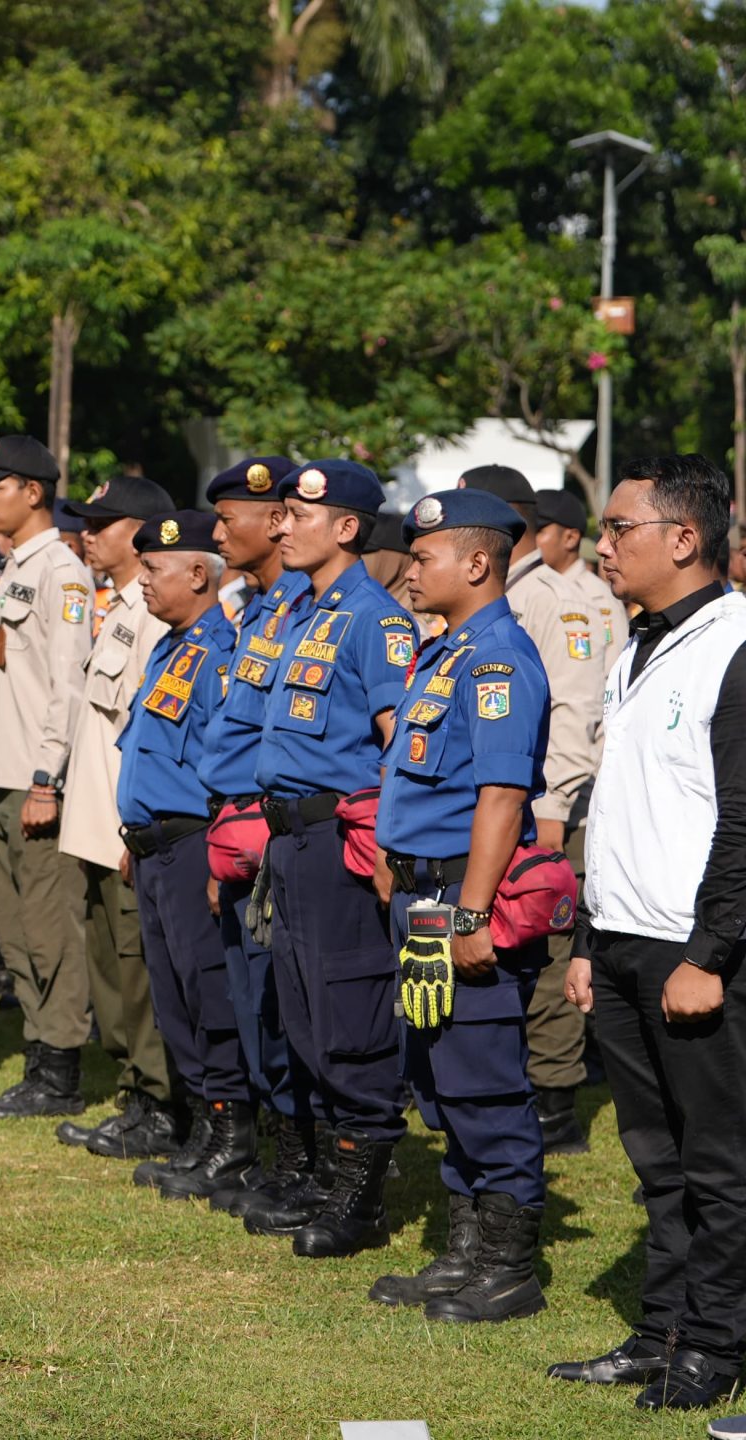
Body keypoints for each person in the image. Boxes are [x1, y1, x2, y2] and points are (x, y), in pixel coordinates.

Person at [553, 454, 746, 1411]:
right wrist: (590, 937)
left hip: (696, 950)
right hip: (625, 938)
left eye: (620, 526)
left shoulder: (736, 644)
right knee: (654, 1158)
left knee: (718, 1161)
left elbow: (743, 821)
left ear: (684, 537)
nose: (602, 544)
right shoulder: (637, 644)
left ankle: (715, 1342)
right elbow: (627, 807)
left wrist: (710, 955)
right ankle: (662, 1328)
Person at [365, 486, 554, 1322]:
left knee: (482, 1081)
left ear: (477, 563)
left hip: (456, 901)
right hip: (423, 898)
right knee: (441, 1076)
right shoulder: (446, 654)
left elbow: (502, 798)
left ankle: (510, 1268)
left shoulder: (496, 660)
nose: (411, 570)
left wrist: (473, 913)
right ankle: (466, 1252)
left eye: (427, 555)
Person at [252, 459, 416, 1258]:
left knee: (348, 1014)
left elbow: (400, 743)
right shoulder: (305, 611)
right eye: (279, 515)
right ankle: (325, 1174)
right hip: (290, 838)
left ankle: (362, 1194)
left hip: (342, 843)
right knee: (305, 1013)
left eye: (296, 515)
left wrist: (386, 846)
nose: (280, 526)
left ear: (346, 527)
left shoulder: (372, 619)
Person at [116, 512, 257, 1201]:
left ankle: (231, 1137)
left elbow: (228, 768)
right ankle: (202, 1129)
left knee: (209, 994)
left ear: (198, 574)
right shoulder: (169, 649)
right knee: (173, 997)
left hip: (195, 845)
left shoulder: (221, 652)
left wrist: (217, 860)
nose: (141, 581)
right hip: (152, 849)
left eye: (153, 570)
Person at [196, 457, 319, 1225]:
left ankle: (312, 1161)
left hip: (291, 835)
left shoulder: (314, 612)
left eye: (227, 517)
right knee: (258, 1006)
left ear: (275, 520)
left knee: (298, 1009)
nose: (217, 533)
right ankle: (282, 1154)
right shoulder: (263, 612)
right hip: (242, 835)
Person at [0, 435, 95, 1120]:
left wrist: (47, 779)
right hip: (1, 778)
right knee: (14, 930)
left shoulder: (61, 573)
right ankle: (39, 1055)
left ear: (33, 492)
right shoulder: (14, 568)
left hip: (36, 783)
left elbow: (66, 687)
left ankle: (60, 1068)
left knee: (50, 931)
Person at [488, 479, 623, 1154]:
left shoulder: (554, 598)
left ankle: (554, 1107)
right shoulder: (518, 592)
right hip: (511, 803)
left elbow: (576, 713)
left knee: (546, 954)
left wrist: (551, 808)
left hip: (548, 807)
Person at [55, 475, 181, 1158]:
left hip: (125, 826)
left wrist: (136, 824)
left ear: (137, 531)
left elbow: (148, 733)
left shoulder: (155, 613)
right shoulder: (120, 606)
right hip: (97, 826)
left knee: (137, 973)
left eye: (100, 525)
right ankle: (135, 1096)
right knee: (110, 968)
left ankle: (159, 1106)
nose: (87, 534)